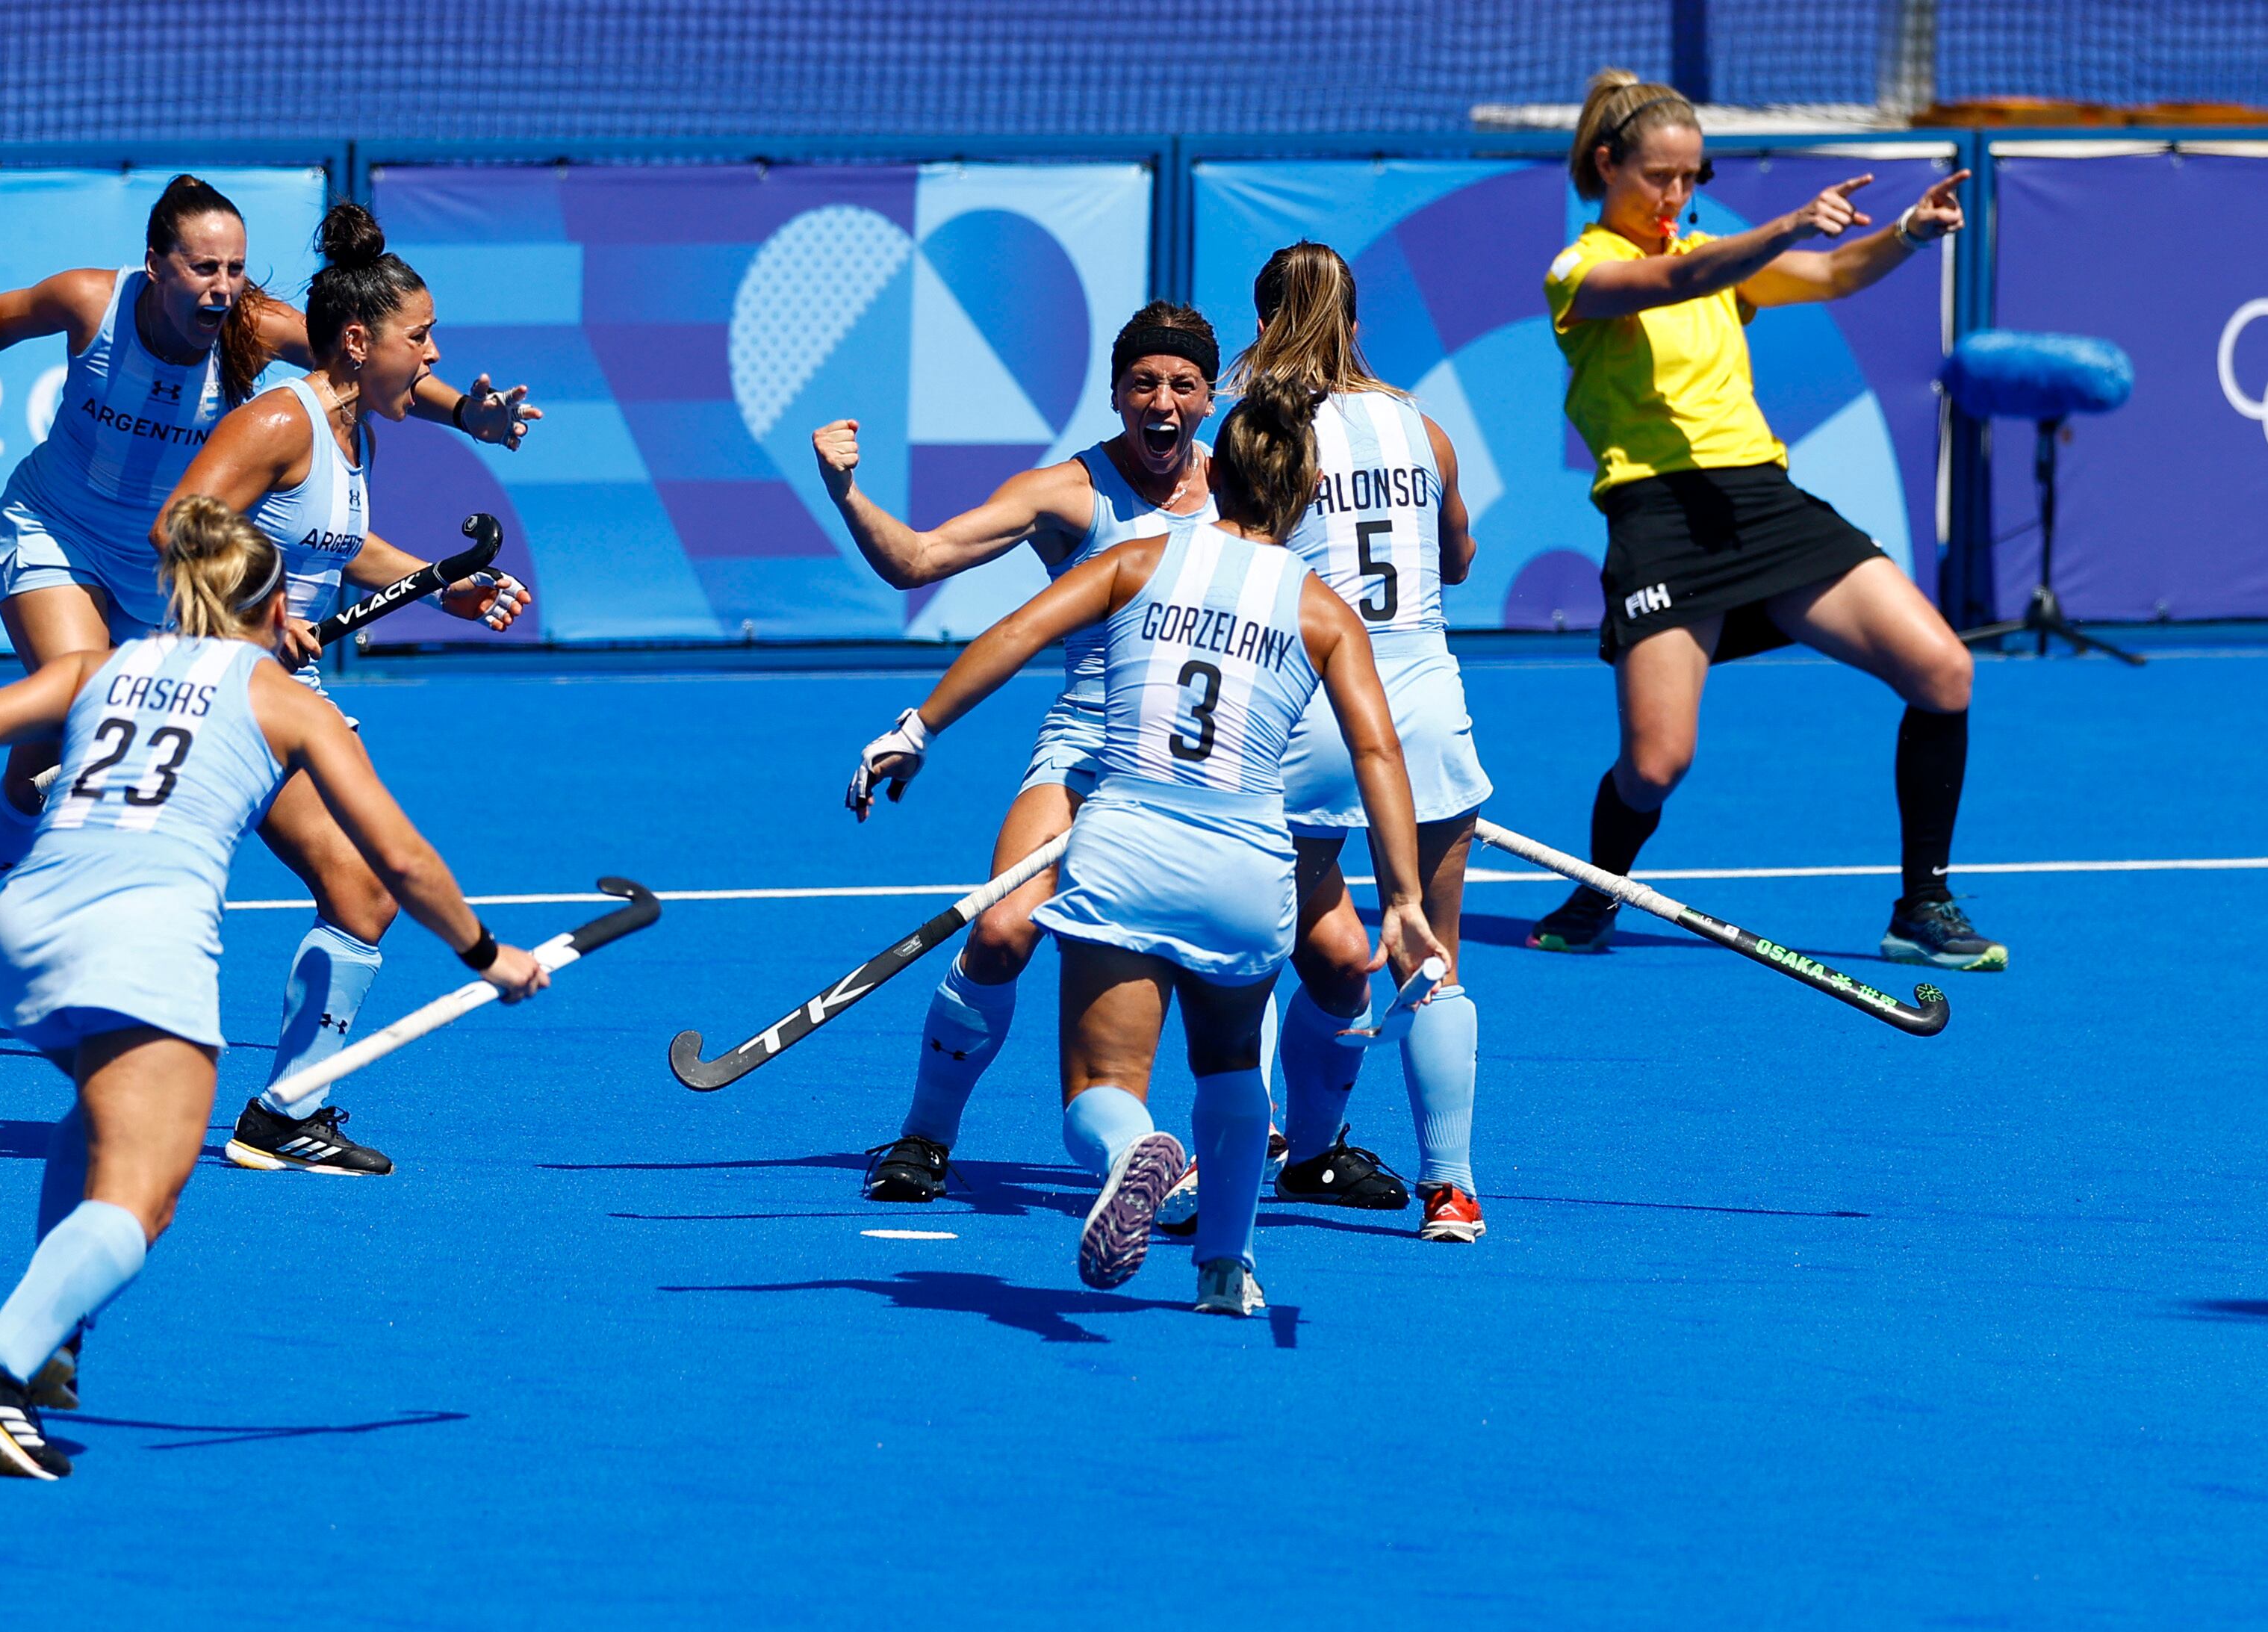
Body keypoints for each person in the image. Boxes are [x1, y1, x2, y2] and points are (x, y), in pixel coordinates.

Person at [0, 494, 544, 1479]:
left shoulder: (101, 664)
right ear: (280, 600)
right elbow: (400, 859)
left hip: (25, 935)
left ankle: (52, 1339)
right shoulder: (286, 701)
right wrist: (487, 955)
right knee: (144, 1198)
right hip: (141, 949)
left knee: (98, 1116)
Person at [0, 174, 542, 1067]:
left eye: (237, 269)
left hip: (171, 583)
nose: (223, 287)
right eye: (204, 267)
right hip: (67, 537)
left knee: (84, 799)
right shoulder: (109, 308)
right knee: (71, 741)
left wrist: (470, 423)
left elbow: (363, 392)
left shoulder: (279, 352)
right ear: (154, 265)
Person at [845, 377, 1445, 1315]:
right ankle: (1224, 1269)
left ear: (1222, 476)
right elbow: (1376, 747)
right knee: (1232, 1070)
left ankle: (1135, 1156)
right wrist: (1404, 901)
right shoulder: (1324, 610)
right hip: (1249, 865)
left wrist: (915, 728)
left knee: (1103, 1085)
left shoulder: (1138, 561)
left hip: (1127, 846)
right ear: (1298, 497)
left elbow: (1015, 633)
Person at [1532, 69, 1997, 972]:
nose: (1678, 195)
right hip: (1659, 516)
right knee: (1656, 766)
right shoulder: (1582, 273)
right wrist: (1780, 225)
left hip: (1765, 503)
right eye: (1660, 177)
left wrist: (1906, 233)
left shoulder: (1720, 255)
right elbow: (1677, 276)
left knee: (1944, 670)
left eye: (1693, 178)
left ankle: (1922, 905)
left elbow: (1829, 271)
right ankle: (1600, 889)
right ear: (1606, 166)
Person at [811, 302, 1222, 1204]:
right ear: (1117, 394)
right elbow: (917, 560)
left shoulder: (1249, 489)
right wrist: (846, 492)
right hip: (1088, 749)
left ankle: (1265, 1151)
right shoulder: (1064, 493)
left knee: (1238, 954)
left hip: (1208, 762)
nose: (1162, 401)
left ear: (1212, 395)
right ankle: (925, 1134)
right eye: (1143, 383)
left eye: (1182, 385)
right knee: (1000, 931)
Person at [157, 201, 532, 1175]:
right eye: (422, 338)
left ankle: (287, 1110)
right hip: (229, 687)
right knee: (361, 885)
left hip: (271, 688)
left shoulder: (348, 432)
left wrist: (442, 589)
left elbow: (340, 545)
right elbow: (179, 524)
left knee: (352, 891)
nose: (436, 356)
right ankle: (284, 1113)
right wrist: (263, 613)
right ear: (359, 342)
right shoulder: (281, 417)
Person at [1224, 241, 1497, 1244]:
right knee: (1427, 951)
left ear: (1263, 325)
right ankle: (1450, 1191)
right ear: (1354, 323)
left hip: (1309, 710)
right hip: (1422, 708)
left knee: (1253, 950)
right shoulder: (1422, 430)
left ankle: (1235, 1159)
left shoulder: (1256, 432)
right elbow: (1457, 559)